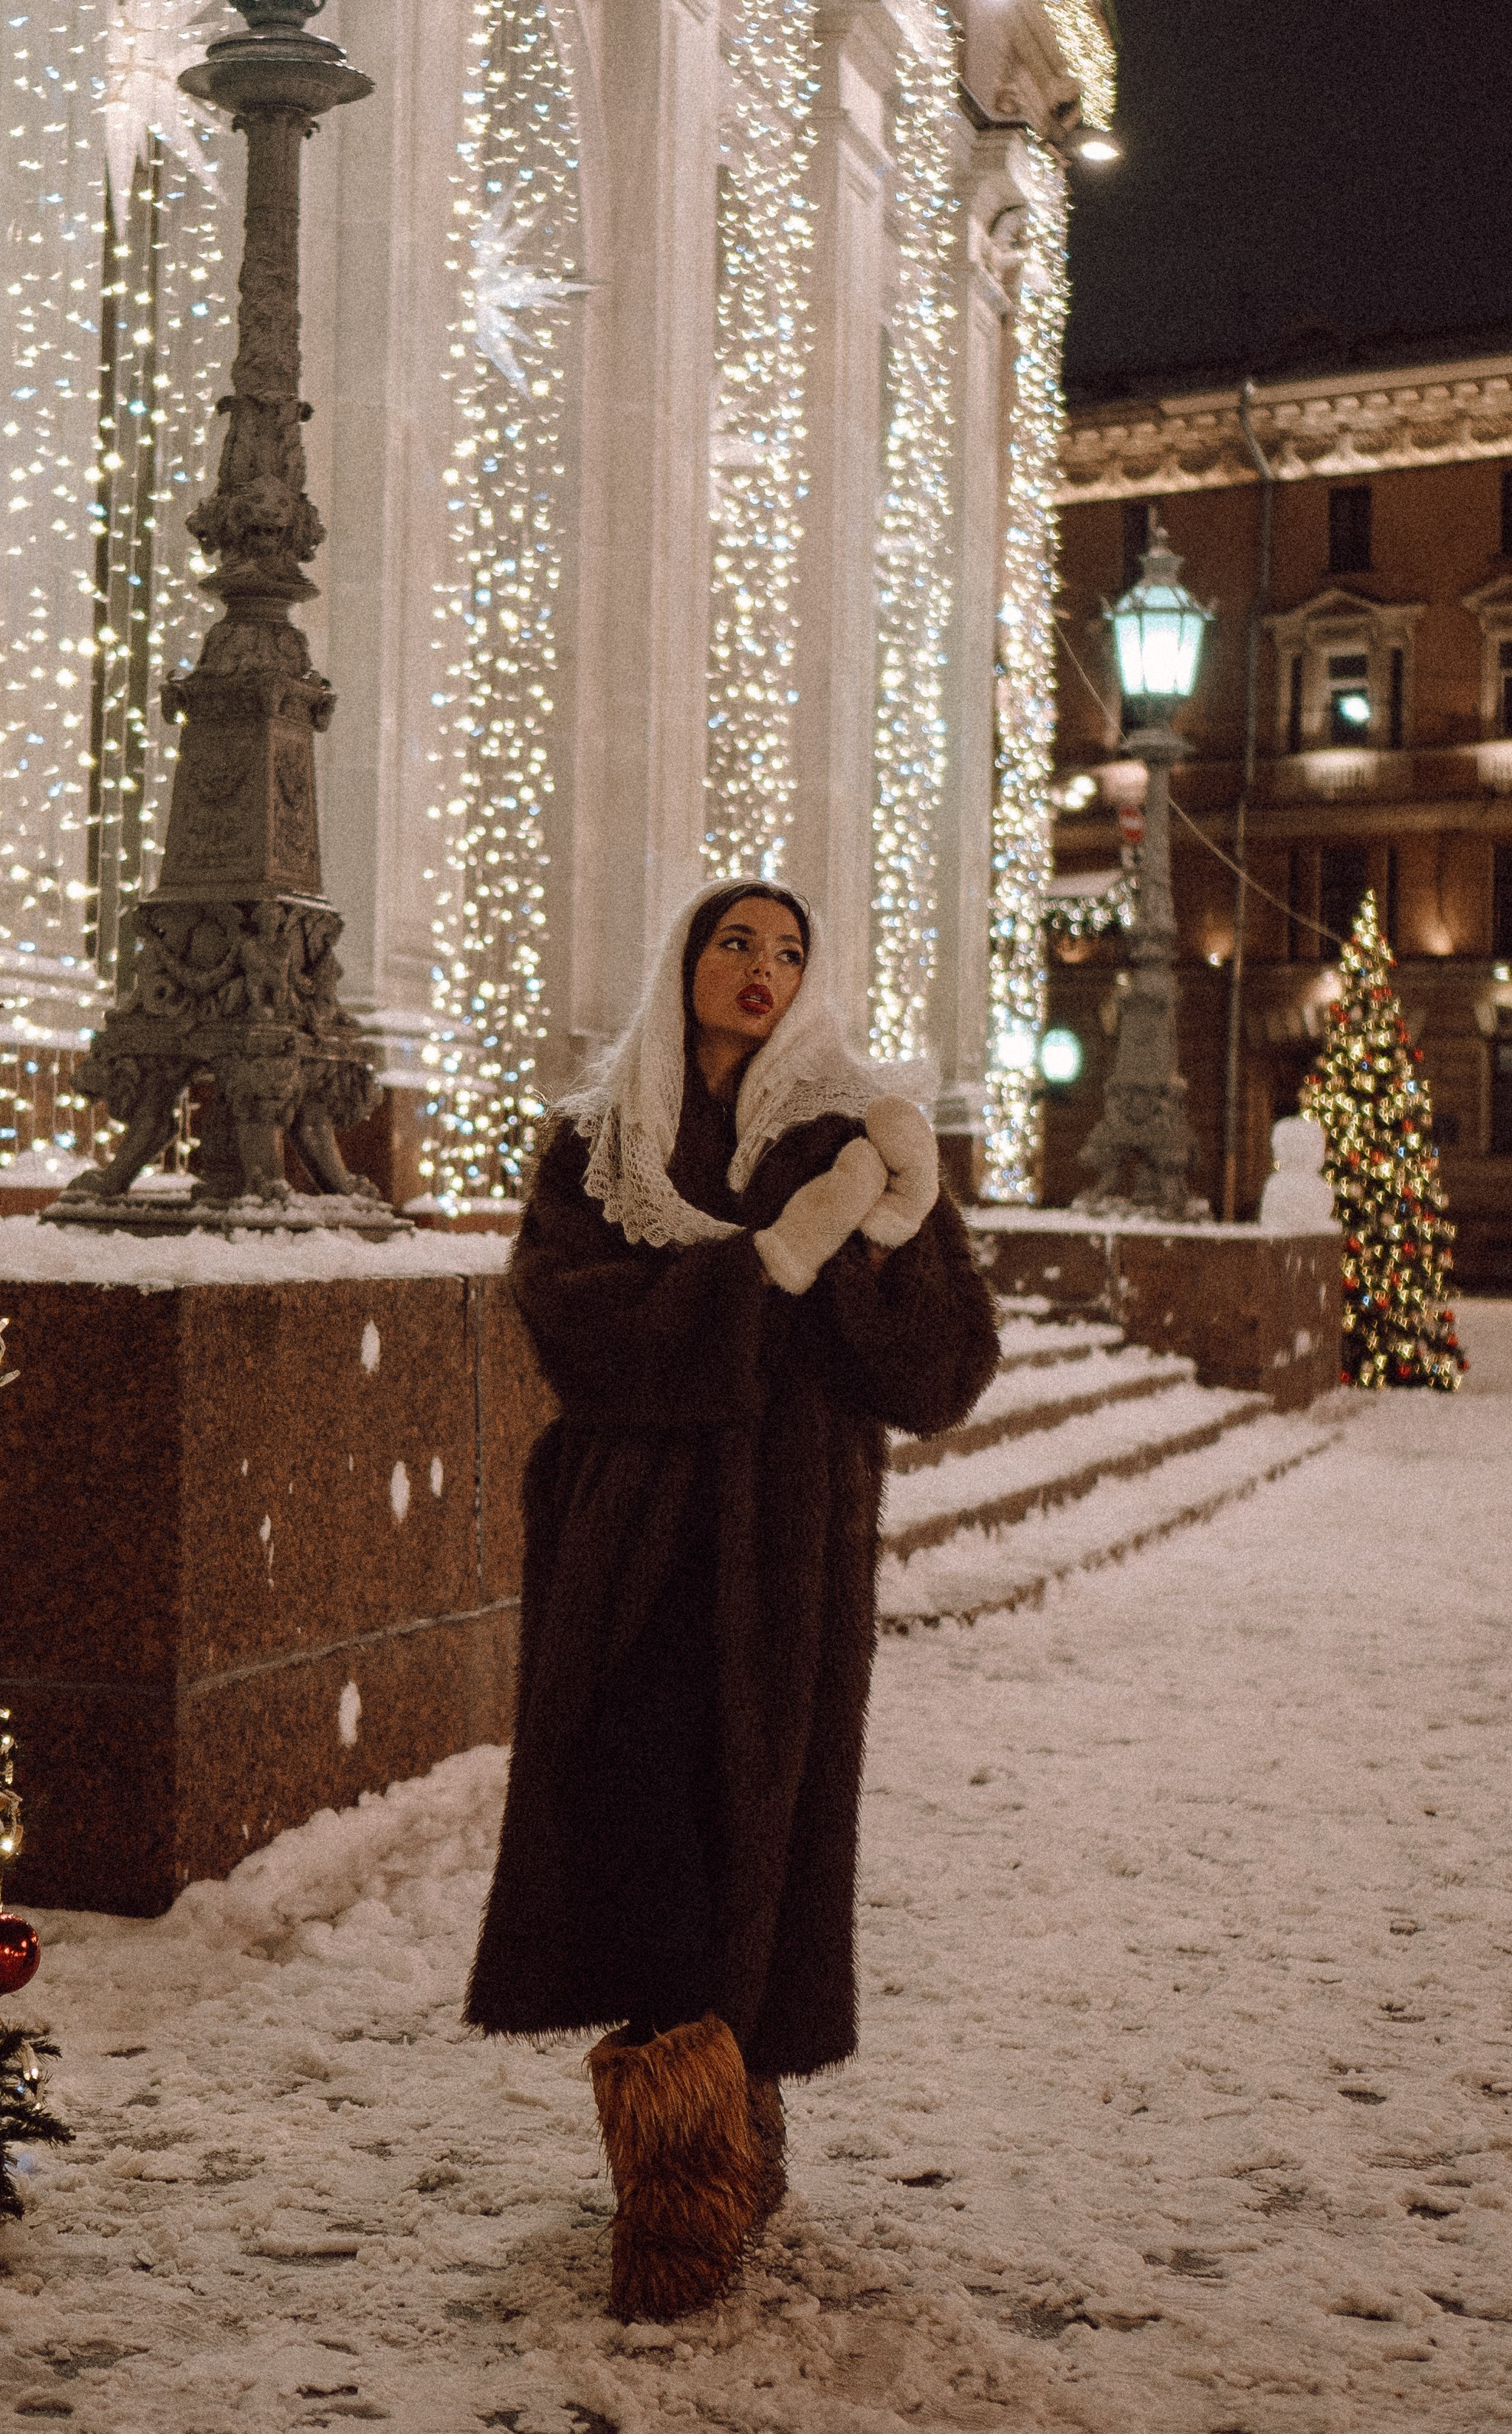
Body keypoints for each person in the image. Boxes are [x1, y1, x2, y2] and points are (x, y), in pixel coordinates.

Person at [466, 879, 1000, 2322]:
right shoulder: (599, 1142)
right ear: (683, 961)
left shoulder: (850, 1136)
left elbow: (940, 1372)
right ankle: (686, 2156)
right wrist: (759, 1270)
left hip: (783, 1547)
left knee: (753, 1826)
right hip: (626, 1544)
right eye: (731, 943)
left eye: (784, 952)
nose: (757, 968)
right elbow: (570, 1323)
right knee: (634, 1815)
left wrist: (884, 1233)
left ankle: (710, 2147)